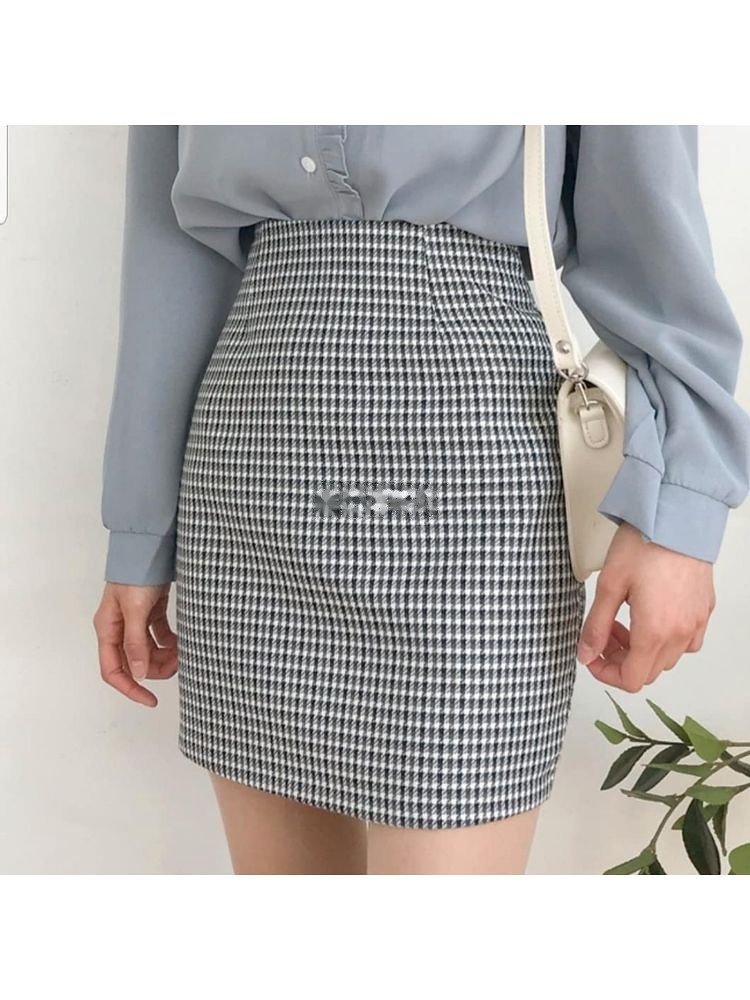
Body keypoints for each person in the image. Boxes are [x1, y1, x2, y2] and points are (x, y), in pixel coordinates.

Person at [92, 126, 750, 875]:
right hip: (249, 469)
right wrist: (141, 530)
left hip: (474, 475)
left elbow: (654, 242)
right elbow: (170, 251)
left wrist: (679, 515)